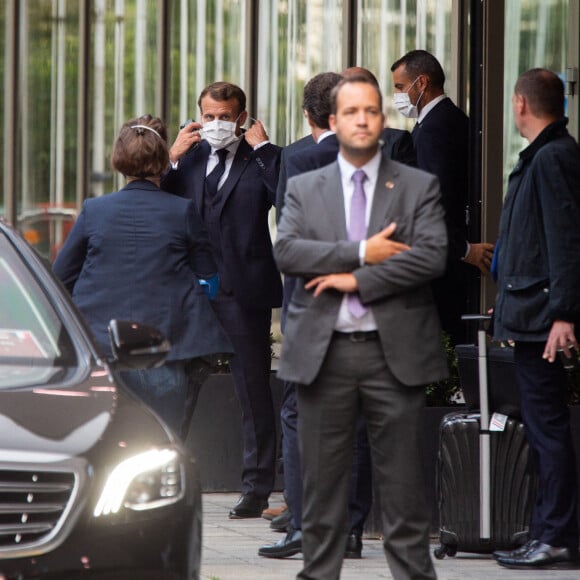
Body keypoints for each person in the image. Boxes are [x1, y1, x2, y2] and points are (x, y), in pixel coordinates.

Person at [274, 74, 448, 580]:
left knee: (404, 501)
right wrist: (361, 252)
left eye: (371, 110)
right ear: (333, 121)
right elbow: (287, 252)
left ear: (382, 119)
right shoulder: (306, 186)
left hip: (393, 352)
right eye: (351, 111)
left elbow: (432, 256)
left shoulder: (416, 185)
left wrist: (355, 279)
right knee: (322, 496)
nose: (362, 119)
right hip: (322, 354)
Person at [52, 115, 233, 439]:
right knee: (163, 441)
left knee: (105, 441)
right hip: (167, 345)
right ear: (164, 158)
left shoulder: (95, 210)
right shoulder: (181, 211)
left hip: (102, 345)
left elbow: (61, 276)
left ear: (118, 158)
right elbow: (209, 279)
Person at [162, 82, 283, 519]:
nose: (216, 124)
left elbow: (286, 199)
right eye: (208, 116)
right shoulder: (187, 159)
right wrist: (170, 156)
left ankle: (257, 488)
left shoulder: (262, 158)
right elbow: (154, 198)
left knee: (253, 391)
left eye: (224, 116)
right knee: (175, 388)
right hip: (191, 293)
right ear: (198, 115)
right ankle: (163, 481)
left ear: (241, 116)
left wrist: (265, 147)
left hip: (243, 291)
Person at [490, 68, 580, 570]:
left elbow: (566, 240)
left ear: (520, 103)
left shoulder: (552, 158)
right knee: (543, 426)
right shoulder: (544, 156)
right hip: (530, 313)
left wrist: (564, 314)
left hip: (543, 320)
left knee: (547, 428)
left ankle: (557, 535)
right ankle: (549, 531)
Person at [391, 49, 494, 345]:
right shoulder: (439, 121)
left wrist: (462, 250)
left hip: (444, 269)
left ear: (421, 83)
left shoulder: (437, 128)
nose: (398, 95)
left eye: (400, 87)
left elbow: (434, 202)